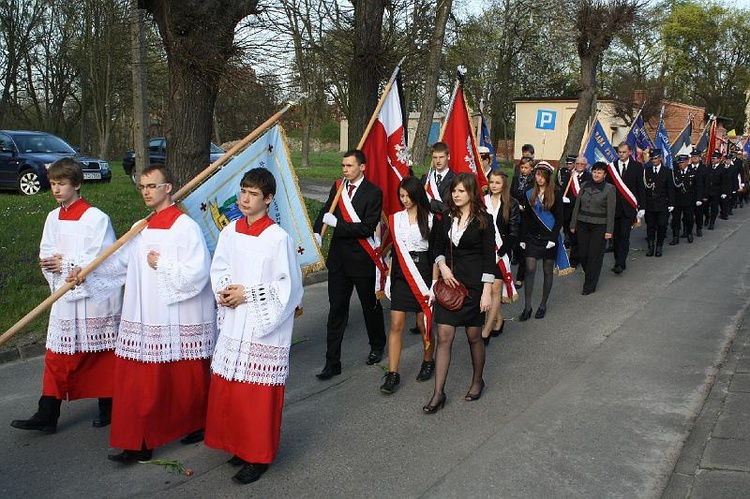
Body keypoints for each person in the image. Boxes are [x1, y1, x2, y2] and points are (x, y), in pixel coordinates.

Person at [106, 164, 216, 464]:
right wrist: (83, 272)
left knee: (184, 380)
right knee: (141, 382)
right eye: (142, 186)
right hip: (144, 313)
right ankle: (139, 440)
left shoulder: (185, 227)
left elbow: (199, 272)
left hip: (176, 315)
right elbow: (118, 263)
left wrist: (165, 264)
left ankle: (196, 423)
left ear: (168, 188)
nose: (145, 191)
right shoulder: (140, 227)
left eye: (151, 186)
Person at [205, 168, 304, 485]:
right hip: (235, 323)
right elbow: (218, 266)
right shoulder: (230, 232)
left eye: (253, 194)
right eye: (243, 192)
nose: (245, 199)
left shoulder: (278, 239)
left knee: (256, 396)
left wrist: (247, 294)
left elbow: (289, 289)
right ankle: (238, 445)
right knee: (233, 391)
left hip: (262, 327)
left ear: (269, 199)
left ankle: (258, 455)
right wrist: (225, 291)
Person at [10, 158, 122, 434]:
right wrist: (50, 263)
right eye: (53, 184)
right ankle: (48, 412)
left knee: (100, 354)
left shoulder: (96, 218)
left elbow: (103, 257)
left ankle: (109, 405)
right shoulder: (52, 217)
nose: (56, 190)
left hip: (93, 297)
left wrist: (69, 263)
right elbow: (47, 249)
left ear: (77, 184)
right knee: (58, 354)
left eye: (61, 184)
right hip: (64, 294)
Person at [423, 173, 494, 414]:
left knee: (474, 336)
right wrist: (442, 266)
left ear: (472, 193)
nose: (456, 194)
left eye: (462, 191)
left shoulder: (485, 220)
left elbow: (489, 258)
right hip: (449, 285)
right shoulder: (446, 218)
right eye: (454, 190)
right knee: (444, 336)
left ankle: (477, 381)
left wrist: (486, 292)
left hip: (474, 286)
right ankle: (438, 393)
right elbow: (437, 247)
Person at [313, 150, 386, 379]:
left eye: (350, 165)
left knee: (369, 307)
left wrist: (338, 225)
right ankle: (332, 361)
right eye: (343, 165)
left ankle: (377, 344)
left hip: (362, 260)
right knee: (336, 311)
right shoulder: (338, 188)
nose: (345, 169)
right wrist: (317, 232)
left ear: (362, 167)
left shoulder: (374, 193)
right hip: (339, 261)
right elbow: (327, 211)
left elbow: (366, 228)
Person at [380, 176, 437, 394]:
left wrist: (433, 282)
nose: (404, 199)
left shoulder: (431, 219)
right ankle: (393, 373)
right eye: (401, 196)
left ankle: (428, 359)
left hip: (423, 271)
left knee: (423, 323)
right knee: (396, 324)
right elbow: (395, 250)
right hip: (401, 273)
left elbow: (434, 254)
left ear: (417, 194)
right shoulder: (396, 219)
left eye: (408, 195)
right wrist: (388, 277)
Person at [518, 161, 564, 321]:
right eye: (537, 174)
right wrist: (523, 238)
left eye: (542, 175)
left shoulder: (556, 193)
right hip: (532, 237)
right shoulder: (529, 192)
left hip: (549, 238)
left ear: (548, 177)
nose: (539, 178)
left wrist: (553, 238)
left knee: (547, 270)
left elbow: (559, 219)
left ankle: (543, 304)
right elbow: (526, 218)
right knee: (530, 268)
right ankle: (527, 306)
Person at [481, 169, 519, 344]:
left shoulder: (511, 203)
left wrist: (501, 252)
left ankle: (487, 329)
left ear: (504, 184)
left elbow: (514, 232)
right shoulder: (482, 202)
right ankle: (499, 319)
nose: (494, 185)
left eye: (497, 182)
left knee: (495, 289)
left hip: (501, 252)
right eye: (491, 182)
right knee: (486, 288)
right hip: (483, 251)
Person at [570, 162, 615, 295]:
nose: (596, 174)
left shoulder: (609, 189)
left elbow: (611, 211)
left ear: (605, 174)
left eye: (599, 172)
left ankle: (589, 284)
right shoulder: (584, 186)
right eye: (594, 171)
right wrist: (573, 224)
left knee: (594, 255)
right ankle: (590, 273)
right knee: (583, 254)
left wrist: (609, 231)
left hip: (600, 226)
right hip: (582, 223)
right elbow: (577, 206)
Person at [608, 142, 645, 275]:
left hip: (629, 208)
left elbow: (640, 187)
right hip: (614, 208)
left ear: (630, 152)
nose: (621, 154)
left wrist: (642, 206)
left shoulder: (637, 167)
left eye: (624, 152)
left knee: (624, 235)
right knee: (616, 237)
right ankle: (617, 259)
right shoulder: (611, 167)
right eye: (619, 152)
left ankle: (620, 263)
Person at [643, 149, 675, 257]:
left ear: (660, 158)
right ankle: (651, 247)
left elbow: (671, 188)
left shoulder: (667, 171)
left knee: (662, 225)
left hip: (662, 203)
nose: (653, 160)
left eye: (655, 158)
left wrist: (671, 203)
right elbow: (644, 189)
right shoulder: (646, 171)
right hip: (650, 203)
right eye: (652, 158)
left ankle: (659, 246)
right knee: (650, 226)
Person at [510, 156, 535, 288]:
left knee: (523, 245)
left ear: (531, 169)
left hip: (527, 216)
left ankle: (520, 276)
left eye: (526, 167)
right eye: (522, 167)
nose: (523, 170)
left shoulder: (534, 182)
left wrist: (524, 206)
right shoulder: (515, 179)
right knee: (515, 245)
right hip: (515, 214)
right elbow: (511, 195)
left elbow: (534, 198)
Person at [669, 154, 701, 245]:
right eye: (679, 162)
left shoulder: (693, 172)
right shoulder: (675, 173)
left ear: (687, 162)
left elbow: (698, 187)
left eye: (682, 162)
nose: (680, 164)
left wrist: (698, 198)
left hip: (689, 200)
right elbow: (671, 188)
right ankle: (675, 236)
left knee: (689, 218)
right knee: (675, 220)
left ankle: (689, 232)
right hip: (677, 200)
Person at [422, 141, 455, 215]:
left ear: (448, 157)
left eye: (441, 157)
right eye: (435, 157)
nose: (438, 161)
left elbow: (451, 208)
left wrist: (430, 201)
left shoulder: (455, 180)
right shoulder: (426, 178)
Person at [705, 151, 729, 230]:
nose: (712, 160)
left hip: (716, 191)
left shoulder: (722, 169)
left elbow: (725, 181)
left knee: (714, 208)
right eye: (712, 158)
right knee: (704, 207)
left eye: (714, 158)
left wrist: (724, 192)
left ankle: (712, 222)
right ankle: (707, 217)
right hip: (707, 191)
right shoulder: (708, 167)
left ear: (719, 159)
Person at [689, 149, 707, 237]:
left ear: (700, 158)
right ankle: (687, 230)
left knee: (699, 214)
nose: (694, 158)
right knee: (688, 215)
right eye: (693, 157)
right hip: (689, 195)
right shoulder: (688, 167)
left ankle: (699, 228)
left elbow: (706, 184)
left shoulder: (704, 168)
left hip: (699, 195)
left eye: (696, 157)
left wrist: (704, 196)